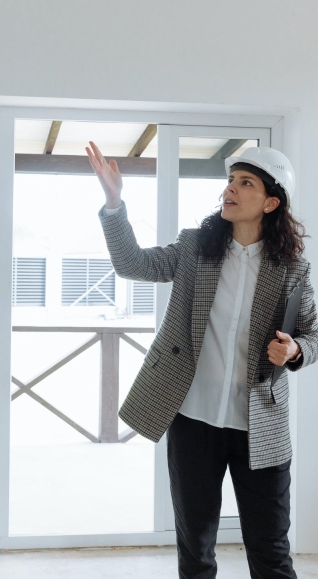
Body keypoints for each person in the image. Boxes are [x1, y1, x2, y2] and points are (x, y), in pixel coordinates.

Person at [86, 141, 318, 579]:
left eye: (245, 183)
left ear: (270, 202)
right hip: (193, 421)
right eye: (230, 180)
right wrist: (114, 201)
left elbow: (313, 334)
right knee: (195, 548)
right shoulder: (195, 248)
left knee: (271, 550)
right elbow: (132, 263)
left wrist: (296, 350)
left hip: (260, 426)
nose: (230, 189)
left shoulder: (292, 268)